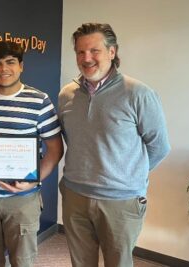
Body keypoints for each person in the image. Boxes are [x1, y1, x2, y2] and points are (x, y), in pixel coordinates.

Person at [58, 23, 171, 267]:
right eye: (80, 52)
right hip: (75, 196)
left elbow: (159, 146)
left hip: (121, 201)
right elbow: (72, 139)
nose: (86, 58)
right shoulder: (66, 94)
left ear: (112, 52)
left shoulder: (139, 93)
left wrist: (125, 173)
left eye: (94, 50)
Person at [0, 41, 64, 267]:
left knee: (23, 260)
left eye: (10, 62)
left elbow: (55, 148)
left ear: (21, 66)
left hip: (23, 200)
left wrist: (33, 181)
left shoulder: (39, 101)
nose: (4, 69)